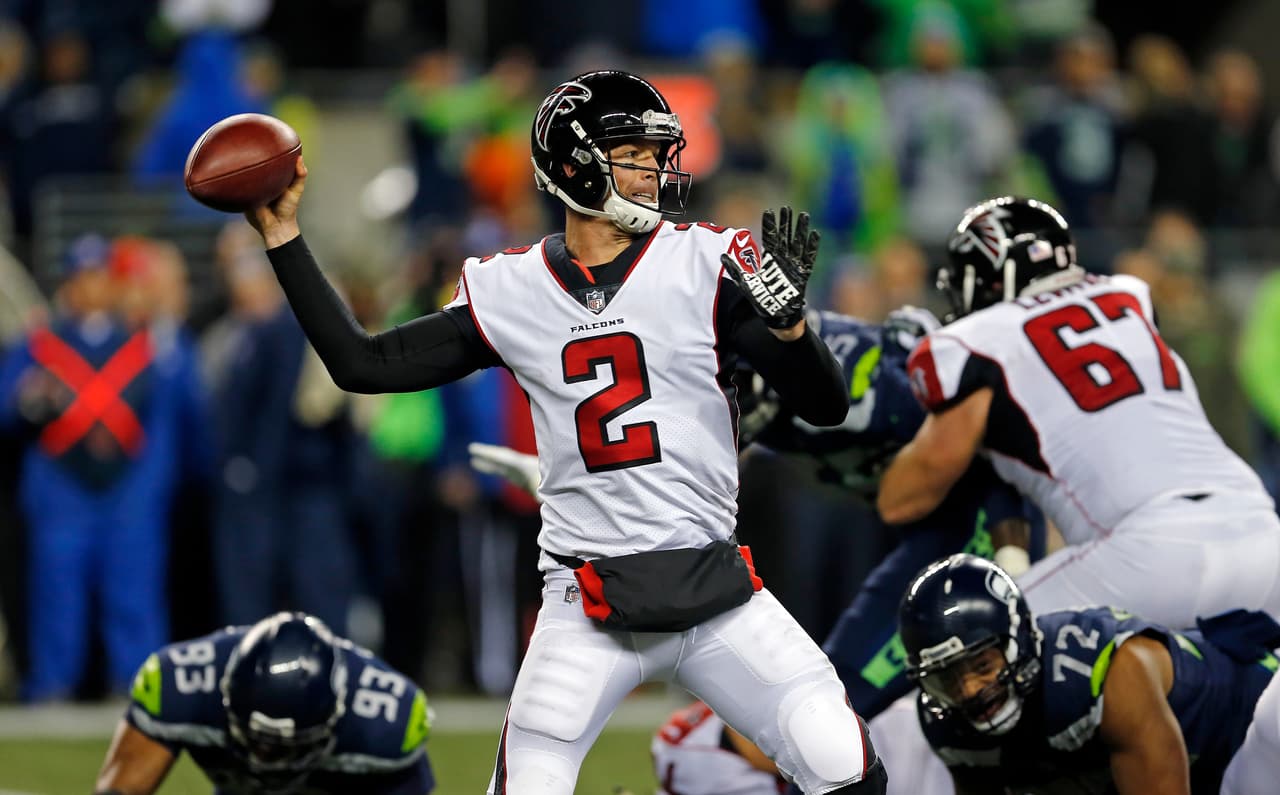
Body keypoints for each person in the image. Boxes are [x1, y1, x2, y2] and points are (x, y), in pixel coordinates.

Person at [244, 69, 885, 794]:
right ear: (576, 162)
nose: (653, 169)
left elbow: (824, 403)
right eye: (633, 152)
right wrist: (284, 236)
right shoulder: (512, 286)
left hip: (714, 592)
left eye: (655, 152)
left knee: (844, 764)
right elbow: (362, 363)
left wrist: (792, 331)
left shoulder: (705, 262)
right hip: (586, 604)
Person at [877, 196, 1280, 629]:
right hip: (1259, 529)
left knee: (969, 640)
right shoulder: (1129, 297)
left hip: (1149, 555)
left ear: (987, 278)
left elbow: (903, 499)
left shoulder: (978, 340)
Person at [899, 554, 1280, 794]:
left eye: (982, 666)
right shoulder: (945, 723)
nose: (969, 691)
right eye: (945, 678)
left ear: (1018, 639)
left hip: (1247, 725)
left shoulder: (1099, 674)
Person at [93, 611, 433, 795]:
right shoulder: (180, 685)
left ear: (336, 717)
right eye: (258, 741)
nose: (264, 760)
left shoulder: (387, 722)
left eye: (285, 749)